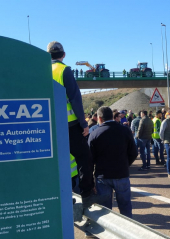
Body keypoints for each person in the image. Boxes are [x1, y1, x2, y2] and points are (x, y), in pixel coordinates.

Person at [47, 41, 94, 200]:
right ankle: (86, 193)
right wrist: (84, 123)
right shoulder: (64, 70)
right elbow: (75, 99)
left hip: (49, 125)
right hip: (70, 125)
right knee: (84, 158)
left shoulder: (41, 70)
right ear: (63, 55)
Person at [88, 107, 138, 218]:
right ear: (112, 116)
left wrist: (91, 181)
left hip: (102, 176)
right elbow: (134, 153)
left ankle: (106, 233)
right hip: (122, 174)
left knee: (105, 210)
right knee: (125, 207)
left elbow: (89, 160)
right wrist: (125, 164)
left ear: (99, 118)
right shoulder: (125, 130)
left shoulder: (94, 134)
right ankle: (128, 232)